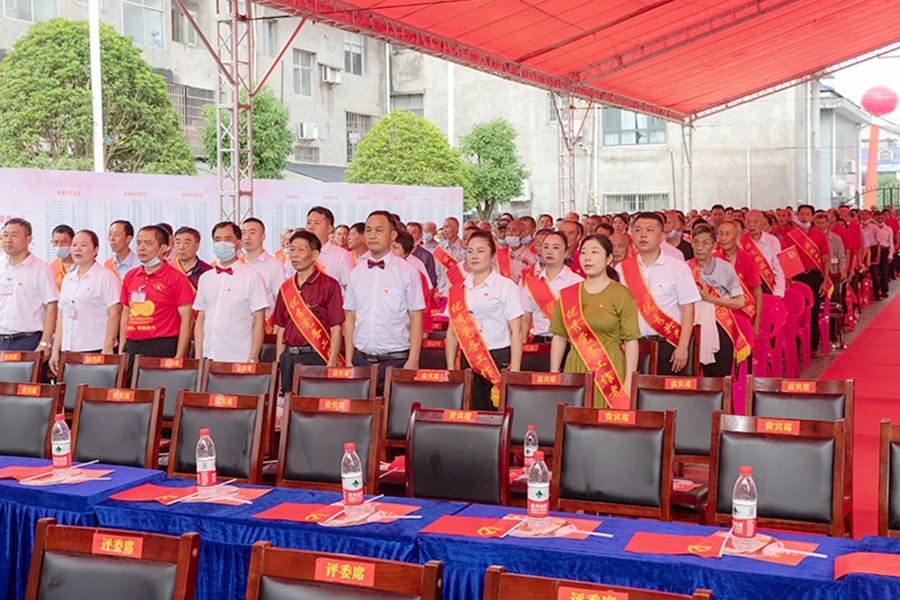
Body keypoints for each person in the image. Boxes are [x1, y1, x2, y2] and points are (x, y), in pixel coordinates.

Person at [549, 235, 640, 408]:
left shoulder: (622, 295)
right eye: (583, 252)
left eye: (594, 252)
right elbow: (559, 337)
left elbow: (631, 341)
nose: (587, 257)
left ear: (609, 258)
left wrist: (629, 383)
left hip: (610, 370)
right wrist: (554, 374)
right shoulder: (568, 295)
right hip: (575, 367)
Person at [344, 211, 425, 394]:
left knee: (394, 411)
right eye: (368, 230)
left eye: (379, 230)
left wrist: (413, 359)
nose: (372, 235)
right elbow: (350, 316)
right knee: (361, 411)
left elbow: (416, 317)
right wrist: (349, 359)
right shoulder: (356, 273)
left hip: (395, 361)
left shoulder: (407, 272)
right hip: (361, 361)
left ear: (393, 235)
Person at [445, 231, 523, 410]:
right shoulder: (457, 290)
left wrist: (516, 369)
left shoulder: (506, 286)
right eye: (470, 251)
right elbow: (452, 332)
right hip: (469, 358)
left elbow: (517, 331)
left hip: (499, 358)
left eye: (480, 251)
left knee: (498, 411)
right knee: (472, 412)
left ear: (492, 255)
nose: (474, 256)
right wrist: (450, 366)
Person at [617, 212, 700, 375]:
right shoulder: (621, 269)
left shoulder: (678, 268)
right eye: (638, 230)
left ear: (662, 236)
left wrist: (683, 347)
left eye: (649, 230)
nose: (643, 235)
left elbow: (688, 309)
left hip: (668, 343)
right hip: (632, 345)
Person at [273, 230, 345, 393]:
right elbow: (281, 328)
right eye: (292, 249)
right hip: (289, 357)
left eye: (301, 250)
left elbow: (336, 328)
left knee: (313, 403)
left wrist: (331, 362)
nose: (294, 255)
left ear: (314, 255)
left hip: (316, 356)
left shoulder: (329, 285)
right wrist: (279, 362)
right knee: (288, 403)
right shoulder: (286, 288)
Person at [119, 225, 195, 375]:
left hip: (161, 346)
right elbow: (125, 314)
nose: (141, 248)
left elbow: (187, 320)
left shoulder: (176, 278)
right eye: (139, 243)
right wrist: (122, 351)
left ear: (163, 248)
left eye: (148, 243)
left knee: (159, 388)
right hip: (132, 346)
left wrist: (180, 356)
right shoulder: (131, 276)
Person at [193, 222, 269, 363]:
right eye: (217, 240)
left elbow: (259, 321)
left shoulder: (252, 277)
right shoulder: (205, 278)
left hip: (239, 357)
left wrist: (253, 357)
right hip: (209, 356)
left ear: (238, 244)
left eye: (227, 239)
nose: (222, 244)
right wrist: (198, 357)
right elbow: (201, 318)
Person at [49, 229, 122, 374]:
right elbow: (62, 316)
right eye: (74, 245)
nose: (77, 249)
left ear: (96, 250)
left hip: (95, 348)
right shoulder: (68, 278)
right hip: (68, 350)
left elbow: (115, 313)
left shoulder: (105, 277)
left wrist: (108, 346)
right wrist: (56, 350)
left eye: (83, 245)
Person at [688, 223, 750, 377]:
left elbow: (739, 302)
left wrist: (710, 299)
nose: (699, 247)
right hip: (691, 326)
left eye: (705, 243)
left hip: (721, 325)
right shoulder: (685, 268)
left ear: (713, 245)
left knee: (718, 378)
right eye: (696, 242)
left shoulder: (725, 268)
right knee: (691, 377)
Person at [0, 218, 58, 353]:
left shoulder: (41, 269)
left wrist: (45, 343)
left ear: (28, 240)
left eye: (14, 235)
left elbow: (51, 307)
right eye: (5, 235)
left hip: (28, 341)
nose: (8, 240)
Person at [522, 231, 583, 344]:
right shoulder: (531, 284)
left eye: (555, 247)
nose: (549, 251)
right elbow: (525, 320)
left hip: (568, 343)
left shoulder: (577, 282)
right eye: (546, 247)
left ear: (566, 253)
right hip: (539, 342)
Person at [786, 205, 831, 353]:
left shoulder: (820, 235)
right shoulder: (790, 235)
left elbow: (825, 259)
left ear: (812, 217)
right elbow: (787, 259)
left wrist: (825, 280)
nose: (804, 217)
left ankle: (812, 347)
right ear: (797, 216)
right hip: (797, 276)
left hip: (815, 277)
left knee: (813, 311)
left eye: (807, 214)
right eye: (801, 214)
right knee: (796, 312)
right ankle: (796, 347)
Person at [716, 221, 762, 335]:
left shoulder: (747, 258)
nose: (723, 238)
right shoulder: (714, 259)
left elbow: (757, 291)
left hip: (745, 314)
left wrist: (757, 321)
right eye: (720, 234)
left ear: (737, 237)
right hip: (721, 316)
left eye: (727, 234)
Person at [241, 218, 286, 326]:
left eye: (252, 233)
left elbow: (281, 300)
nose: (247, 237)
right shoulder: (238, 264)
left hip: (265, 326)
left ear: (263, 237)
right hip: (239, 327)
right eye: (243, 233)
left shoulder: (275, 266)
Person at [306, 207, 354, 288]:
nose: (310, 227)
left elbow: (349, 288)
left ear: (329, 228)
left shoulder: (341, 255)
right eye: (308, 222)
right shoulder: (297, 254)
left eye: (316, 223)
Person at [742, 209, 785, 297]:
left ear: (762, 223)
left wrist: (778, 292)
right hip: (746, 289)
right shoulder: (740, 242)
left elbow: (779, 268)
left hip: (767, 286)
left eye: (755, 221)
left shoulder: (772, 241)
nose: (751, 225)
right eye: (748, 221)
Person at [171, 226, 212, 291]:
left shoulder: (208, 272)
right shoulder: (168, 269)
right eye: (177, 243)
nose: (181, 247)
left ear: (197, 246)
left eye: (186, 243)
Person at [407, 221, 438, 288]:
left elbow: (432, 282)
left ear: (420, 235)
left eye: (414, 232)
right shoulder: (398, 254)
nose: (410, 235)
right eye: (408, 232)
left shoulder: (426, 256)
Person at [872, 209, 894, 300]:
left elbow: (891, 243)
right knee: (875, 272)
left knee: (884, 272)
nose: (880, 219)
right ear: (875, 218)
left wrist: (890, 255)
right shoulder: (873, 228)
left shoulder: (888, 229)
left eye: (882, 218)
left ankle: (884, 290)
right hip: (874, 250)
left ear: (884, 218)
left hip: (885, 251)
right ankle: (876, 292)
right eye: (878, 218)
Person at [49, 225, 75, 292]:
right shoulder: (53, 268)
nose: (59, 246)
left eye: (64, 242)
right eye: (56, 242)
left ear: (73, 242)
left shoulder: (83, 265)